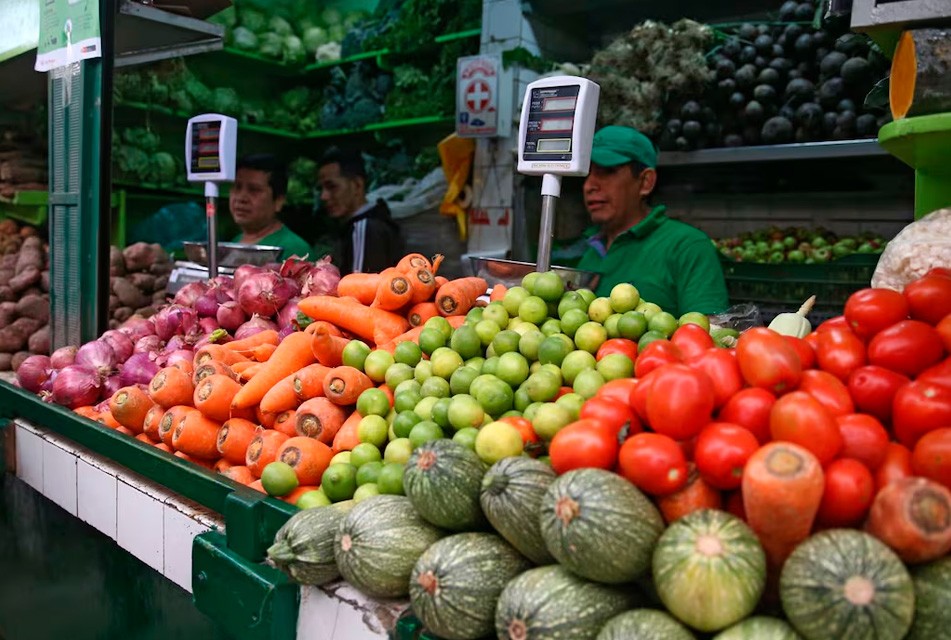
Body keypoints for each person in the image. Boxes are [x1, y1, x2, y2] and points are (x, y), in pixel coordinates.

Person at [575, 125, 730, 317]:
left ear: (645, 182)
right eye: (586, 173)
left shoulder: (687, 247)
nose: (589, 185)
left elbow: (708, 330)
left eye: (607, 171)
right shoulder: (591, 251)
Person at [317, 146, 404, 275]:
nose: (323, 196)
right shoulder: (375, 222)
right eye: (321, 189)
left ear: (357, 185)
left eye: (332, 186)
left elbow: (359, 283)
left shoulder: (363, 228)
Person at [229, 153, 312, 260]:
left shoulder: (295, 250)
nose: (241, 198)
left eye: (254, 190)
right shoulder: (235, 241)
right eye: (237, 187)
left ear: (278, 201)